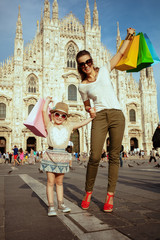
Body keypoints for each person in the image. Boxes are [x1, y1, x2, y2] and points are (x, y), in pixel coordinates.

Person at [76, 27, 135, 212]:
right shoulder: (82, 86)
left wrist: (128, 37)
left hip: (117, 114)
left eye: (87, 61)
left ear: (92, 61)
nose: (85, 65)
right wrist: (89, 110)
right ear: (80, 67)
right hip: (100, 117)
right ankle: (88, 192)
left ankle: (110, 197)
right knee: (94, 156)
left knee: (114, 157)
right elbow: (86, 105)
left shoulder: (104, 70)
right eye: (82, 64)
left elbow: (120, 53)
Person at [40, 97, 93, 217]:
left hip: (62, 156)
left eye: (63, 115)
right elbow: (44, 112)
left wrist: (91, 117)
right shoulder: (49, 125)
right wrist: (47, 102)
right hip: (50, 155)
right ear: (53, 115)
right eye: (57, 114)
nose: (59, 117)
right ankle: (51, 205)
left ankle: (61, 204)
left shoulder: (69, 127)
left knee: (59, 182)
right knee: (50, 182)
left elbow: (81, 123)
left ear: (66, 118)